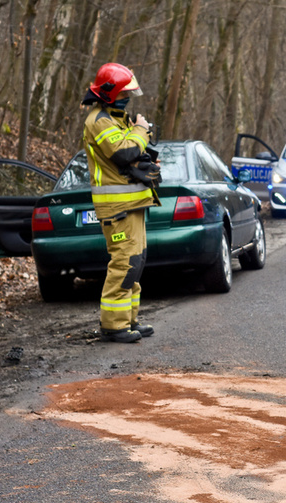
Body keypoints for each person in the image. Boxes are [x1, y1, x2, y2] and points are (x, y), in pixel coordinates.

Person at [82, 63, 159, 343]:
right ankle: (114, 325)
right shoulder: (99, 120)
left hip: (133, 204)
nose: (129, 98)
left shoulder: (116, 116)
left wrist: (146, 162)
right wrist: (141, 130)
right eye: (125, 92)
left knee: (135, 263)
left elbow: (130, 156)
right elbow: (124, 151)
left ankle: (129, 320)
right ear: (110, 93)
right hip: (117, 209)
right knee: (124, 263)